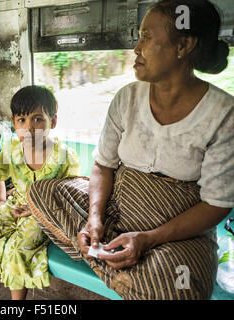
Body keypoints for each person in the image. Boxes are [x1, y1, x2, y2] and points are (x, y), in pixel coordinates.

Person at [27, 0, 234, 300]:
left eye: (147, 37)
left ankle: (112, 260)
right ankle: (126, 267)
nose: (136, 49)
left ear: (184, 45)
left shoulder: (223, 114)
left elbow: (216, 205)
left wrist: (148, 239)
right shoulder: (127, 98)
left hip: (175, 235)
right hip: (116, 210)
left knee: (181, 285)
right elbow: (103, 166)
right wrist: (94, 218)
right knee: (41, 194)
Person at [0, 85, 80, 300]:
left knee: (17, 250)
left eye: (38, 119)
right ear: (14, 121)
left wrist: (36, 208)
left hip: (45, 212)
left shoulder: (64, 155)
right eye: (21, 120)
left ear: (52, 121)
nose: (29, 127)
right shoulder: (11, 148)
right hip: (15, 203)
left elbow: (69, 195)